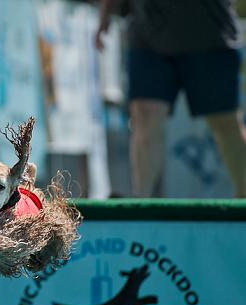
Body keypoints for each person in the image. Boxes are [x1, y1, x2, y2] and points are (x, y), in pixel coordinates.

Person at [95, 0, 246, 197]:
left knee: (225, 124)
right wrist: (105, 14)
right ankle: (142, 203)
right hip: (148, 32)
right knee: (145, 114)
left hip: (210, 33)